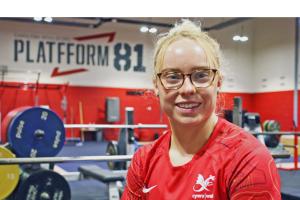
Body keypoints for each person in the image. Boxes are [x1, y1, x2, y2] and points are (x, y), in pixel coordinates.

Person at [122, 19, 281, 199]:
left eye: (201, 75)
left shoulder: (248, 160)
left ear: (218, 82)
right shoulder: (143, 160)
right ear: (156, 86)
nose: (187, 89)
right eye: (172, 76)